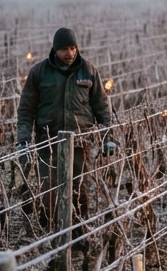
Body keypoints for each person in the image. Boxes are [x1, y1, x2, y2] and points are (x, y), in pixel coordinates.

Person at [17, 28, 116, 224]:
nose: (69, 53)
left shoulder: (88, 70)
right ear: (55, 50)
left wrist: (107, 138)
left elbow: (102, 107)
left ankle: (78, 231)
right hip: (48, 141)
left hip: (80, 142)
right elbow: (26, 110)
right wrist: (23, 141)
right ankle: (51, 232)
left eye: (73, 48)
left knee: (78, 190)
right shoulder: (38, 72)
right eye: (64, 49)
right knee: (49, 190)